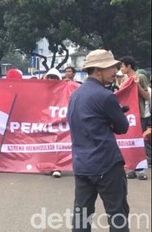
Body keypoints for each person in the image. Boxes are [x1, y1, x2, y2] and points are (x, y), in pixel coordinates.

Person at [67, 50, 130, 232]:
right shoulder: (106, 96)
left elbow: (83, 125)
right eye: (111, 67)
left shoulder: (75, 95)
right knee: (117, 214)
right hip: (107, 164)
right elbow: (122, 128)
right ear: (98, 70)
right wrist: (116, 116)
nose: (115, 72)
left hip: (82, 165)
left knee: (81, 217)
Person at [118, 56, 150, 181]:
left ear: (129, 66)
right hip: (129, 114)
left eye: (122, 66)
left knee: (140, 141)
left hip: (140, 114)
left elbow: (147, 96)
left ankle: (141, 169)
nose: (121, 68)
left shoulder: (140, 77)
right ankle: (132, 168)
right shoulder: (124, 79)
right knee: (130, 140)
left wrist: (137, 86)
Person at [44, 68, 63, 178]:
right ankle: (49, 166)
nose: (51, 79)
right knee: (48, 144)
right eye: (50, 77)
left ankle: (57, 167)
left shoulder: (63, 91)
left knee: (58, 144)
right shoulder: (41, 91)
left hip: (59, 120)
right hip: (46, 121)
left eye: (54, 77)